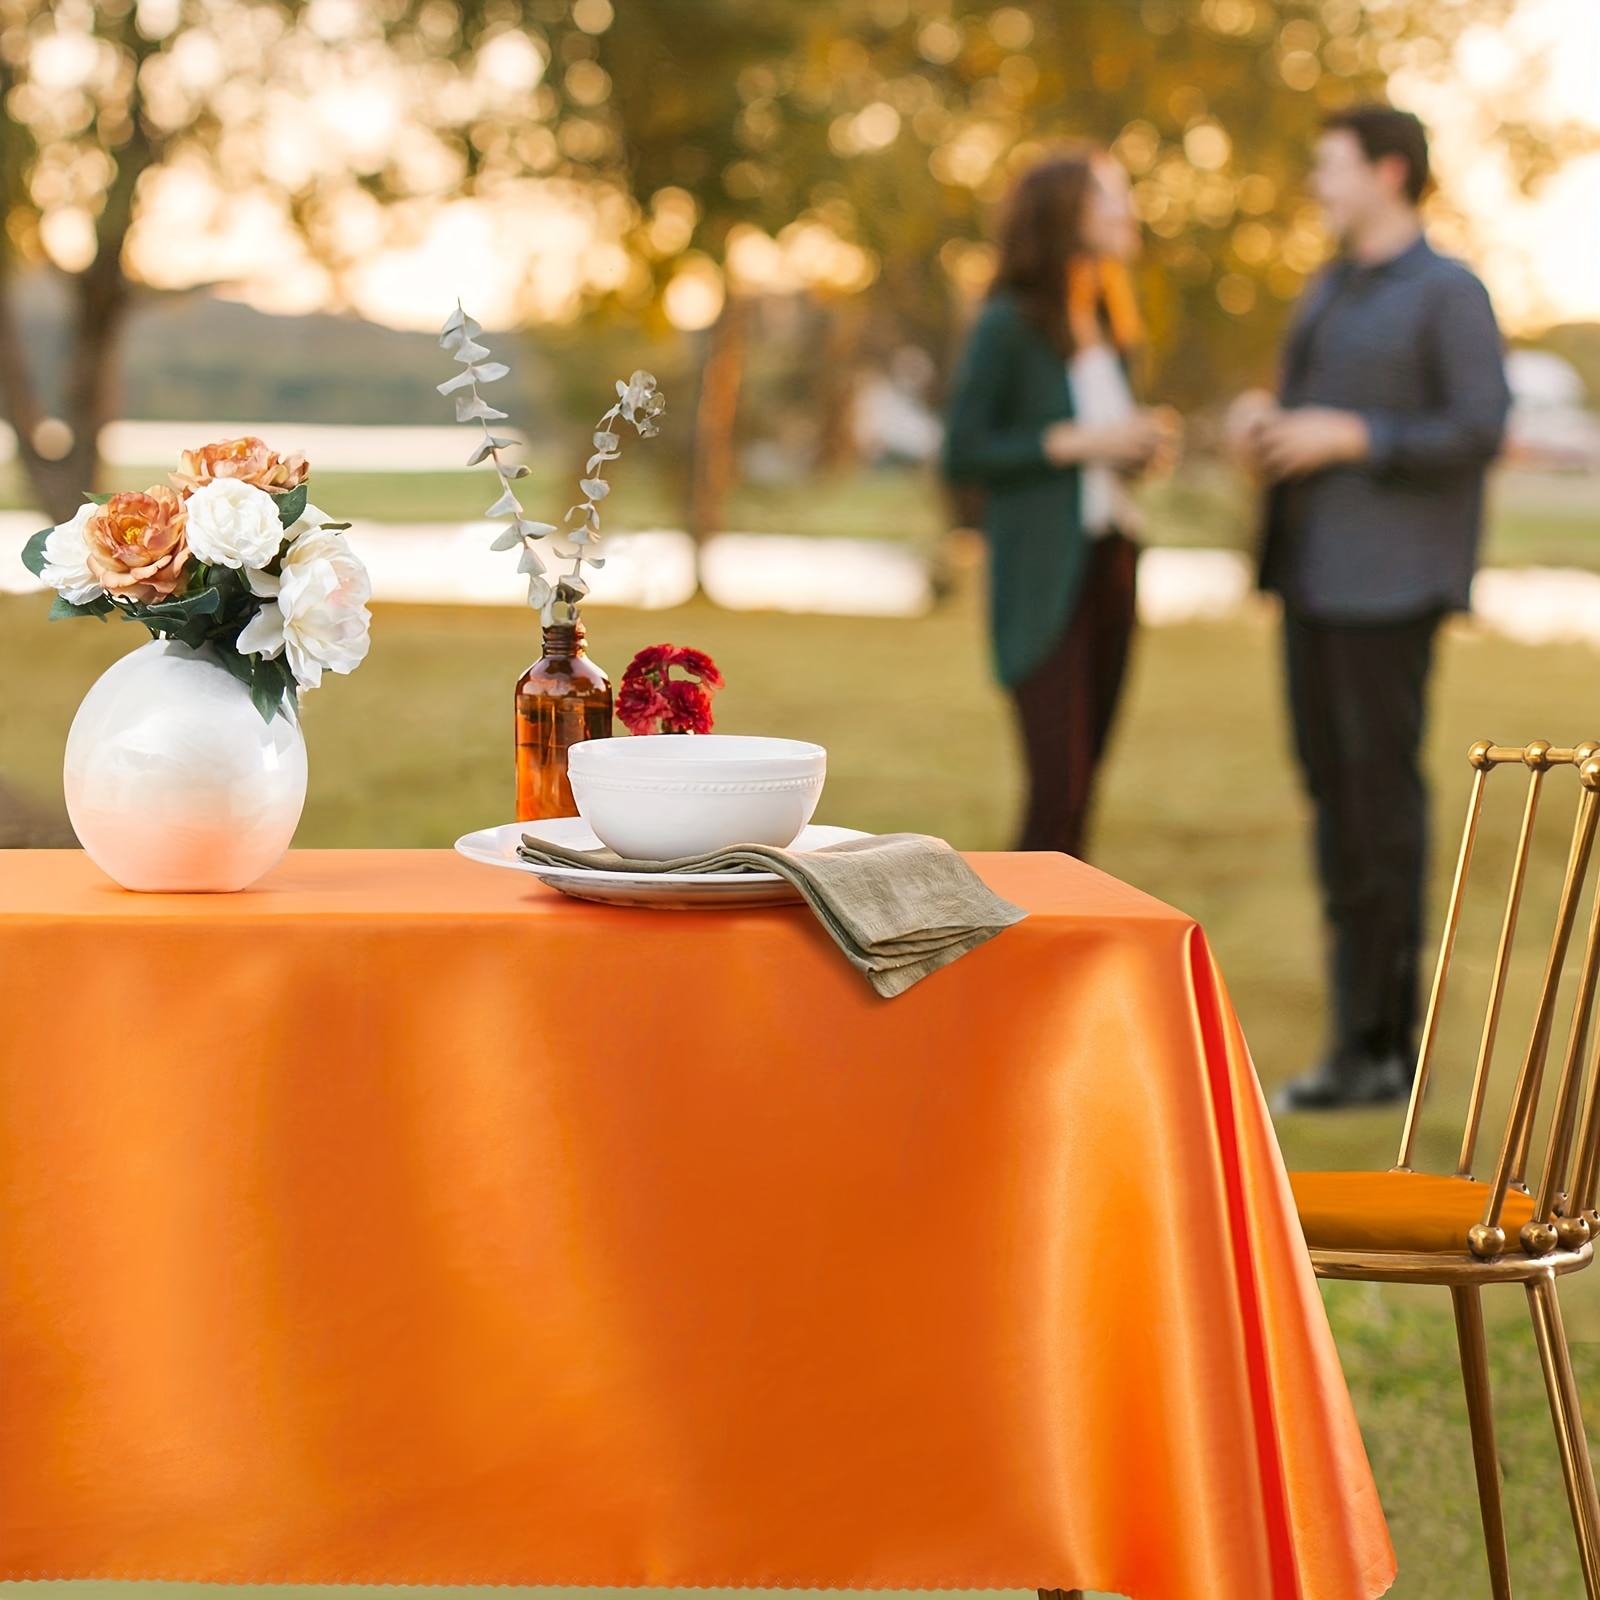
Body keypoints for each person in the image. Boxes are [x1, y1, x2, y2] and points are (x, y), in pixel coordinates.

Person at [1229, 106, 1511, 1110]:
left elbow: (1479, 427)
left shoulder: (1449, 292)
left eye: (1331, 167)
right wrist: (1264, 419)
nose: (1317, 184)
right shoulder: (1328, 287)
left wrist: (1355, 436)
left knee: (1378, 806)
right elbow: (1307, 409)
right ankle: (1358, 1042)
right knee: (1331, 801)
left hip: (1390, 587)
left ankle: (1381, 1048)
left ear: (1389, 173)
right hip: (1308, 578)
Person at [944, 150, 1180, 859]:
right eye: (1108, 196)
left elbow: (1096, 451)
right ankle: (1016, 954)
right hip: (1043, 575)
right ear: (1062, 214)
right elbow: (964, 452)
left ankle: (1065, 953)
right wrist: (1076, 442)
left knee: (1085, 793)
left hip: (1111, 560)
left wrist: (1134, 448)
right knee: (1057, 792)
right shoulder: (1007, 325)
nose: (1125, 210)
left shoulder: (1110, 322)